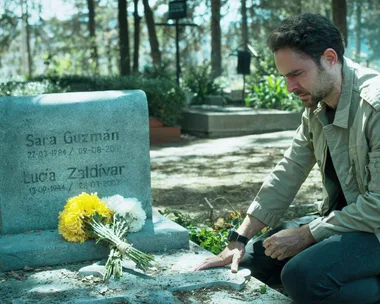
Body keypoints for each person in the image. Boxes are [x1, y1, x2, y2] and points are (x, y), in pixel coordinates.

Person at [195, 13, 380, 304]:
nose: (290, 87)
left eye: (296, 74)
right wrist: (240, 238)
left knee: (302, 277)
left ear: (330, 58)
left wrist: (308, 234)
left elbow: (378, 206)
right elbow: (289, 169)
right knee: (255, 259)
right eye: (285, 77)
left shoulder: (375, 107)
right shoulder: (317, 105)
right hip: (348, 223)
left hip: (376, 227)